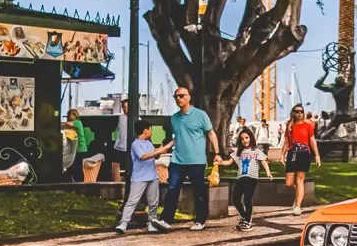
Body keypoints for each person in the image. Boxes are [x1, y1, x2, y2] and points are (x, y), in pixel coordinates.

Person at [159, 87, 219, 230]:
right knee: (172, 189)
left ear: (189, 97)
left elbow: (211, 134)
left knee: (198, 191)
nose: (178, 98)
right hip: (177, 160)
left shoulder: (200, 115)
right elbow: (178, 137)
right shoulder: (174, 118)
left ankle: (200, 221)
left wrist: (217, 153)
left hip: (196, 161)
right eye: (176, 96)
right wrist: (165, 147)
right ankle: (166, 220)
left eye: (181, 95)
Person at [115, 119, 173, 234]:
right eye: (150, 130)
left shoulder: (149, 143)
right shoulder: (135, 144)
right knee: (132, 201)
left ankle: (151, 223)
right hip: (139, 178)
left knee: (153, 202)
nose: (151, 132)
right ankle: (123, 223)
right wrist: (158, 151)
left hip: (152, 176)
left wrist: (159, 151)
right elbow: (143, 157)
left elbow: (155, 156)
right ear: (145, 131)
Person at [217, 127, 273, 230]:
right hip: (241, 178)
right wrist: (219, 163)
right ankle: (245, 216)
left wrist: (268, 172)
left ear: (251, 138)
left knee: (247, 198)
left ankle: (247, 221)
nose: (245, 140)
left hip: (252, 178)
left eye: (247, 138)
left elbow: (264, 162)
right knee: (235, 199)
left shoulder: (256, 151)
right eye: (242, 139)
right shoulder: (238, 152)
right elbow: (228, 162)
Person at [284, 103, 319, 215]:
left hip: (304, 153)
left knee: (300, 179)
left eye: (301, 111)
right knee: (289, 182)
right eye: (297, 111)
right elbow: (286, 141)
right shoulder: (289, 125)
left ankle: (298, 206)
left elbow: (312, 140)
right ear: (293, 113)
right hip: (292, 153)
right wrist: (282, 155)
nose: (299, 113)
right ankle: (299, 193)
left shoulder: (308, 125)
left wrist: (317, 155)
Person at [64, 108, 92, 182]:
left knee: (76, 168)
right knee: (74, 167)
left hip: (80, 149)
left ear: (74, 115)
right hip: (76, 149)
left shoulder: (77, 122)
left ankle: (79, 182)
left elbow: (67, 124)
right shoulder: (73, 124)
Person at [110, 98, 129, 181]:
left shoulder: (136, 118)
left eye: (127, 107)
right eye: (123, 107)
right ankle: (116, 183)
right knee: (114, 165)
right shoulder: (121, 117)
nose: (125, 109)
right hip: (119, 145)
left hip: (129, 147)